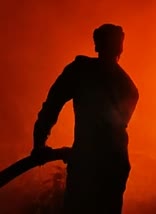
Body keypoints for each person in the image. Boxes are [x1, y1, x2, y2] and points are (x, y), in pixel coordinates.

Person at [31, 23, 139, 213]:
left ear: (96, 45)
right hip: (113, 165)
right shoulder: (128, 88)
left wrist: (39, 143)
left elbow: (51, 106)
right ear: (120, 48)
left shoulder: (79, 71)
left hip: (91, 165)